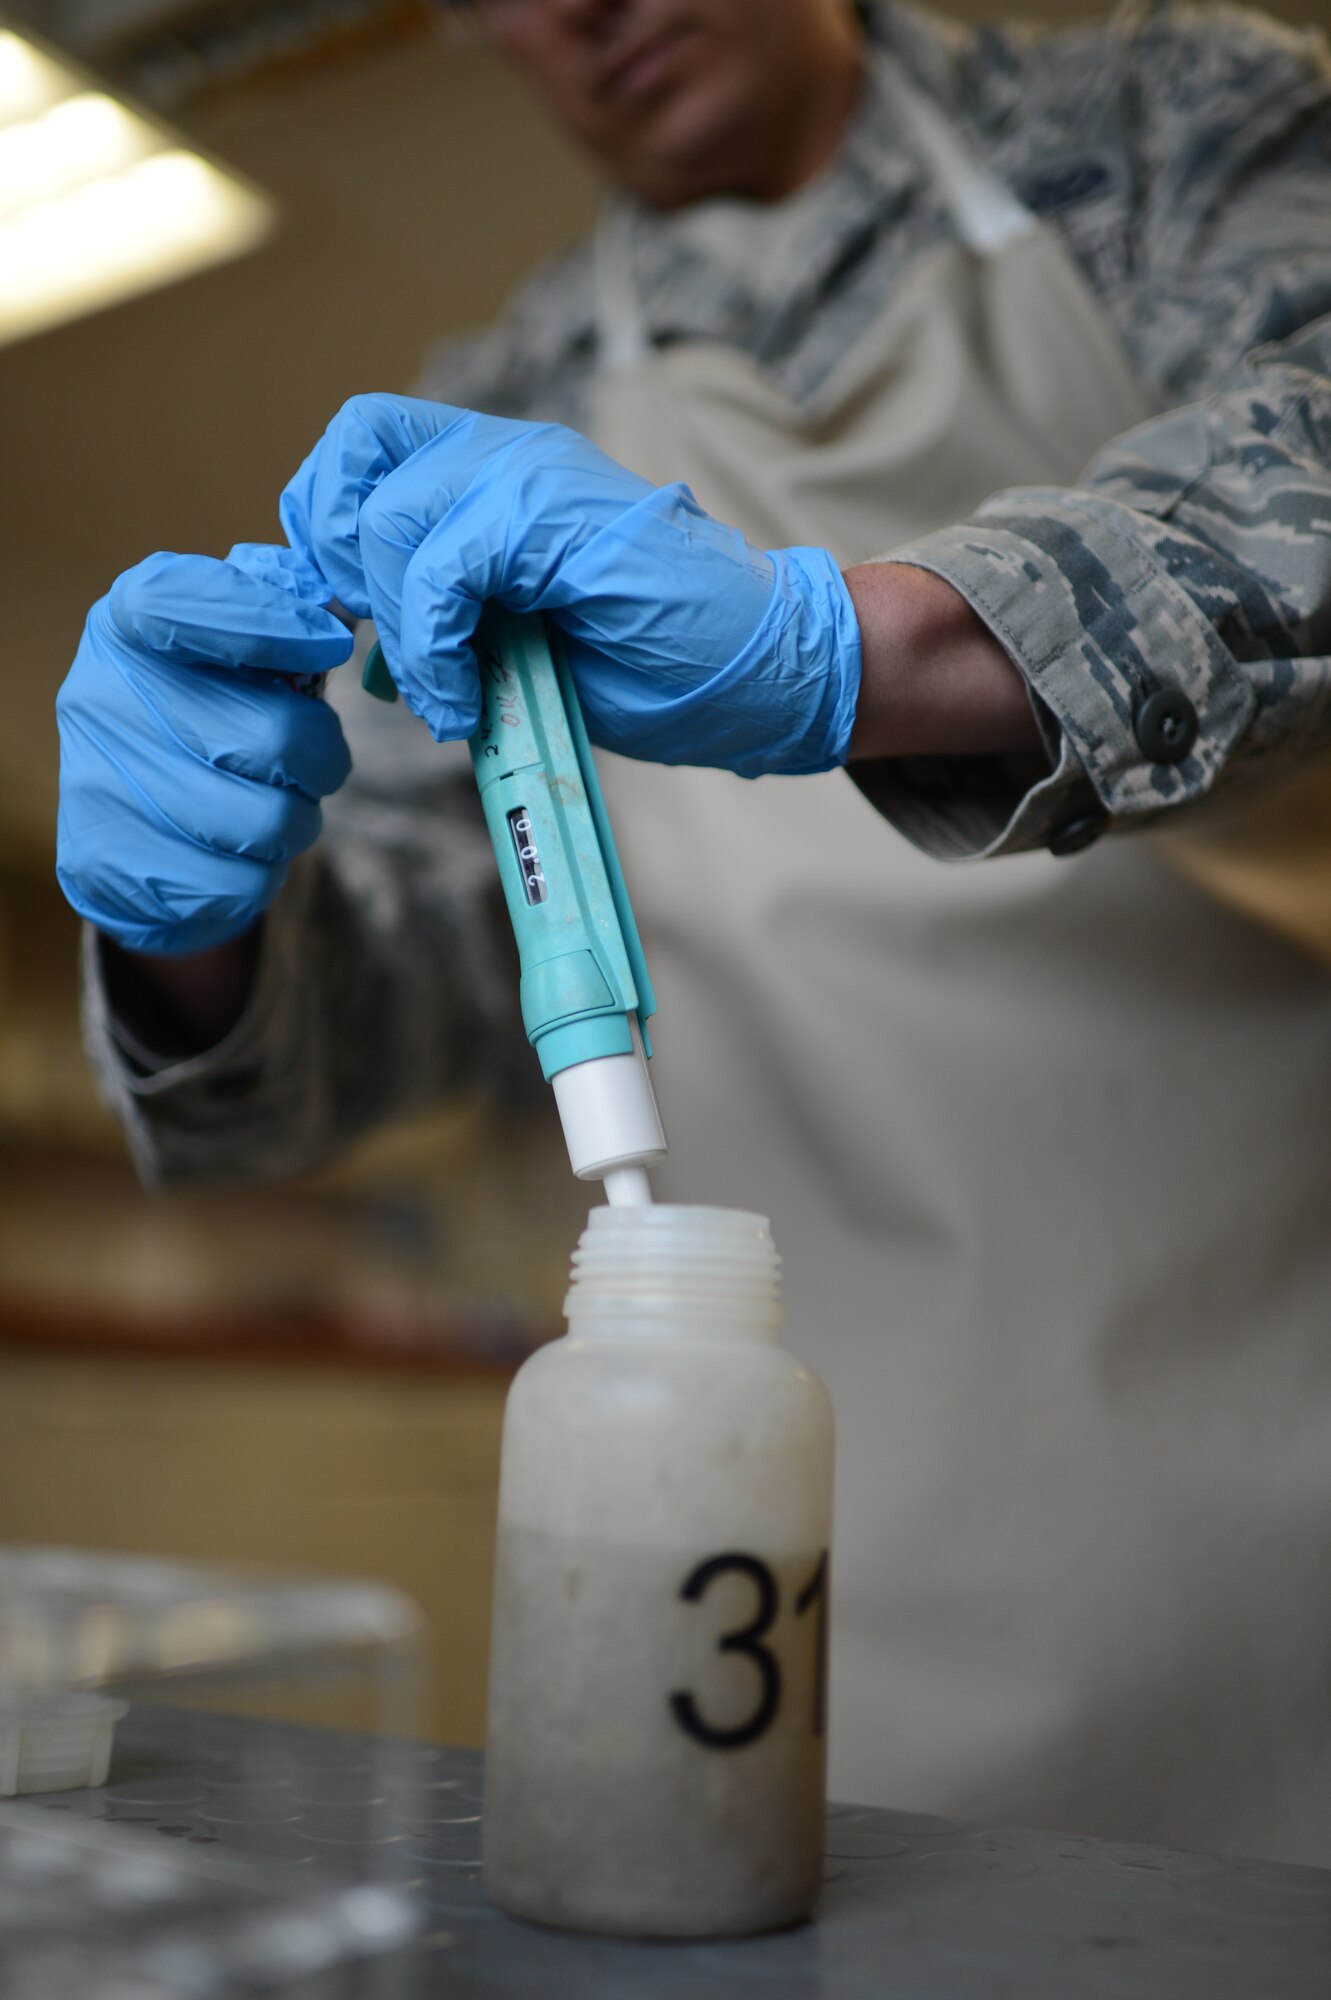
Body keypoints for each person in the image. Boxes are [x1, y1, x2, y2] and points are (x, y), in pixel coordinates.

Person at [55, 0, 1331, 1865]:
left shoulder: (1177, 119)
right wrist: (200, 918)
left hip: (1281, 1488)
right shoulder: (504, 405)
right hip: (803, 1578)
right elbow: (364, 1017)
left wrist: (850, 647)